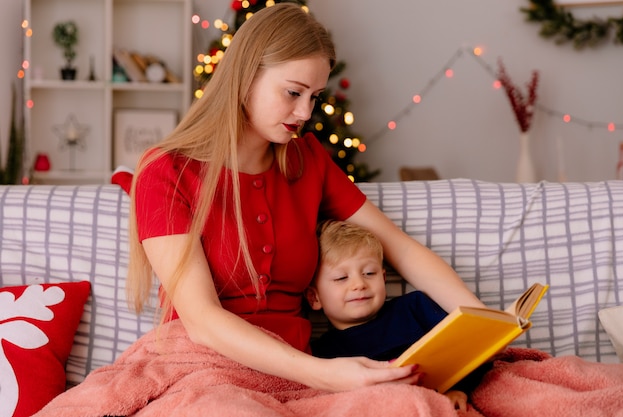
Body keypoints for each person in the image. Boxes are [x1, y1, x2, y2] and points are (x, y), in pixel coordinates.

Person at [126, 2, 486, 394]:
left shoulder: (308, 159)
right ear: (245, 77)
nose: (304, 112)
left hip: (300, 375)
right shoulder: (165, 171)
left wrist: (484, 322)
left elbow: (399, 248)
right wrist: (322, 374)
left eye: (313, 96)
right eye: (293, 92)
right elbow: (201, 321)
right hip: (201, 371)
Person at [306, 220, 468, 410]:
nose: (359, 284)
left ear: (383, 279)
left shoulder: (415, 308)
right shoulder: (323, 355)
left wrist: (459, 388)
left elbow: (465, 351)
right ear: (314, 298)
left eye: (369, 273)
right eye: (342, 278)